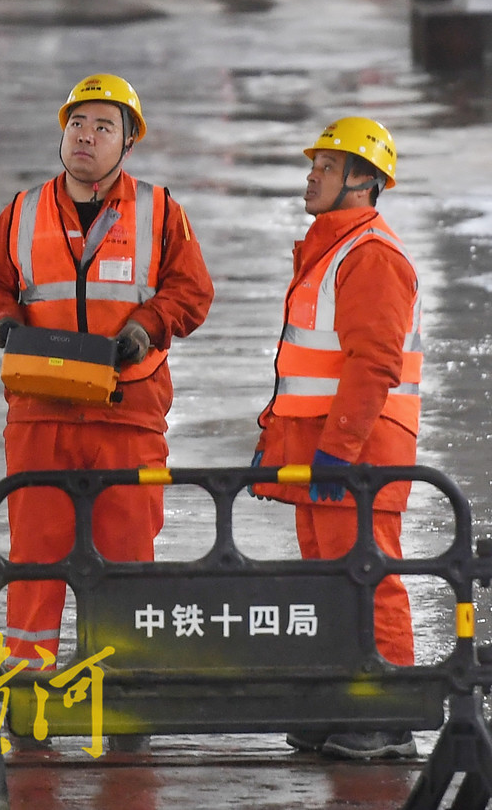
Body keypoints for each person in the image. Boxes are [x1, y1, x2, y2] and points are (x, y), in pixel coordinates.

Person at [0, 74, 214, 748]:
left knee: (126, 560)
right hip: (40, 414)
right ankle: (28, 700)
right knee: (36, 560)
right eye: (78, 122)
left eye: (104, 125)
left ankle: (123, 697)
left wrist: (150, 323)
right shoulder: (22, 210)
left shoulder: (162, 212)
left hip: (126, 415)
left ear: (127, 141)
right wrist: (1, 322)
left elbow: (192, 290)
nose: (86, 135)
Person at [251, 117, 422, 763]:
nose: (311, 174)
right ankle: (345, 701)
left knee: (367, 577)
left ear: (364, 180)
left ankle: (387, 715)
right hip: (324, 452)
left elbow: (373, 362)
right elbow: (308, 369)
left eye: (325, 165)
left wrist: (338, 449)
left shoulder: (370, 254)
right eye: (314, 163)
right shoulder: (332, 250)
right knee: (330, 582)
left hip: (355, 454)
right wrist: (278, 443)